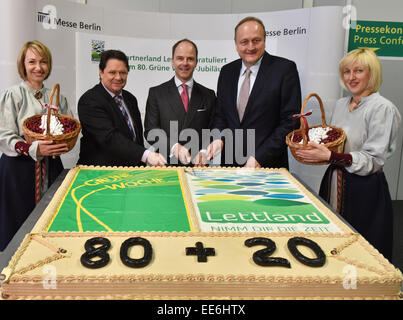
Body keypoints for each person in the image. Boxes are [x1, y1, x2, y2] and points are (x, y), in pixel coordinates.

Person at [295, 48, 401, 262]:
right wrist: (318, 152)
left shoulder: (383, 108)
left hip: (364, 189)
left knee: (364, 247)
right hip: (335, 179)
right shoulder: (343, 104)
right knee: (334, 240)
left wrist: (332, 157)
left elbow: (373, 159)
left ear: (372, 74)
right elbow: (334, 144)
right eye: (346, 71)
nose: (351, 77)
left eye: (359, 71)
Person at [0, 40, 72, 251]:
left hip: (51, 166)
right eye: (32, 62)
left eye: (43, 62)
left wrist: (62, 143)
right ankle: (11, 273)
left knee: (50, 220)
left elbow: (68, 129)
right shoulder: (14, 95)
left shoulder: (58, 98)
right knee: (17, 223)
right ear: (23, 65)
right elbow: (4, 134)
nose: (38, 67)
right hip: (18, 170)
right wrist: (33, 149)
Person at [206, 16, 301, 168]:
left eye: (256, 40)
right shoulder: (227, 72)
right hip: (230, 166)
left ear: (264, 40)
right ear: (236, 45)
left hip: (268, 166)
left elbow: (291, 121)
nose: (250, 47)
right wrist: (218, 139)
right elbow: (221, 115)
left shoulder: (284, 70)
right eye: (244, 42)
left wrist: (260, 158)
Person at [77, 49, 166, 167]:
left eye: (123, 72)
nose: (118, 77)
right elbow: (109, 138)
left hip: (131, 174)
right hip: (100, 175)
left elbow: (136, 140)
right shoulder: (89, 100)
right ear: (101, 72)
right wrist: (146, 155)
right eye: (112, 72)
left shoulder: (130, 99)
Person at [144, 39, 216, 166]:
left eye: (190, 59)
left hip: (199, 167)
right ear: (172, 61)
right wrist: (174, 147)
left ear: (196, 62)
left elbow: (213, 129)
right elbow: (151, 131)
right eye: (180, 58)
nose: (185, 63)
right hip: (166, 166)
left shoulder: (208, 95)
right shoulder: (156, 93)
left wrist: (204, 151)